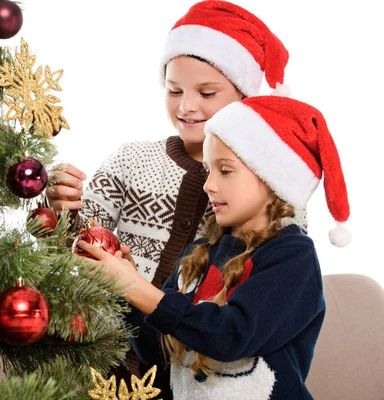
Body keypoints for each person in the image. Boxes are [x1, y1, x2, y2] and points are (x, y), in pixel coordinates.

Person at [46, 0, 306, 394]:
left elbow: (253, 319)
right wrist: (56, 209)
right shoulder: (131, 159)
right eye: (174, 90)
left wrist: (137, 289)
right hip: (112, 367)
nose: (187, 106)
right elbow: (75, 247)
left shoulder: (274, 199)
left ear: (246, 101)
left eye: (207, 92)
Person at [78, 94, 351, 399]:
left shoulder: (292, 257)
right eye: (208, 170)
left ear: (271, 178)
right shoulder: (198, 254)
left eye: (225, 170)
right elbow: (160, 355)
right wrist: (127, 294)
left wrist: (139, 290)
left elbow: (231, 337)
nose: (209, 184)